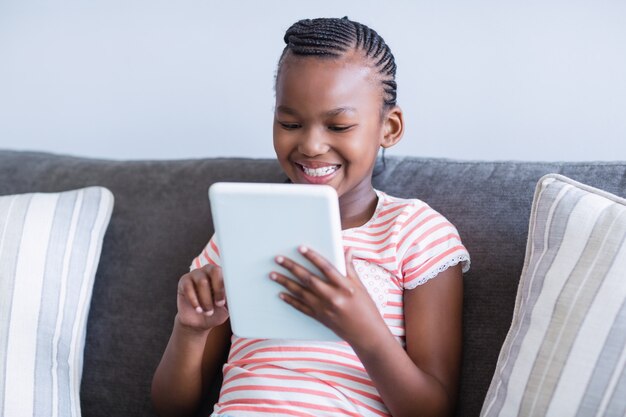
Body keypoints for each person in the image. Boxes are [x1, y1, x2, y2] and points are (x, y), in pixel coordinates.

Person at [152, 16, 470, 417]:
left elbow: (434, 410)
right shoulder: (242, 227)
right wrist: (191, 330)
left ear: (389, 127)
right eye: (290, 123)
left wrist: (363, 329)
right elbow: (169, 408)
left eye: (338, 125)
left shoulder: (417, 233)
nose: (312, 144)